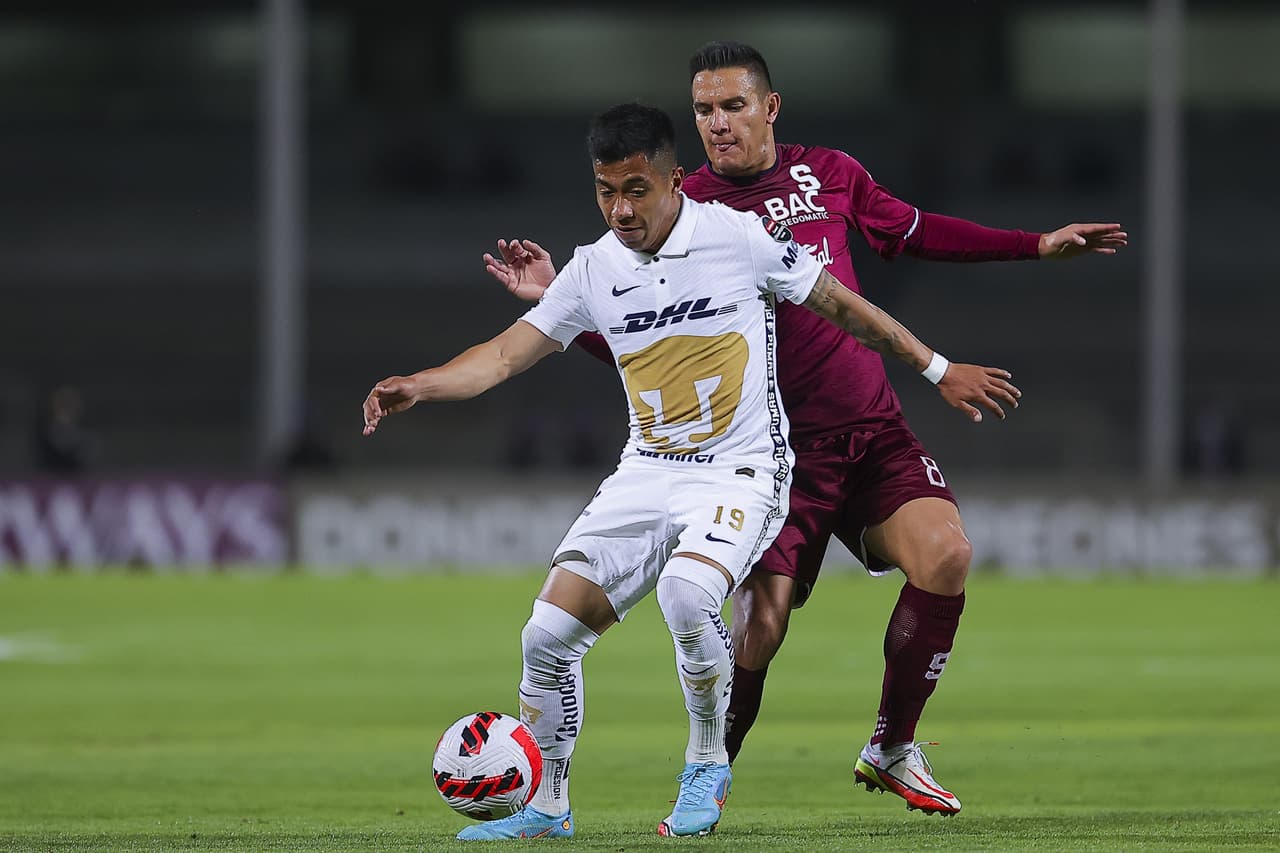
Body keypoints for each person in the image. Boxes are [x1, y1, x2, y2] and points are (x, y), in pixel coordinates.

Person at [482, 41, 1125, 817]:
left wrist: (1033, 244)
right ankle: (706, 783)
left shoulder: (834, 174)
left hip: (873, 428)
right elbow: (640, 338)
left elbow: (917, 231)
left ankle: (891, 747)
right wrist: (555, 299)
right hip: (776, 452)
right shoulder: (686, 211)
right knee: (757, 627)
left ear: (769, 107)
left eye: (732, 106)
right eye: (703, 111)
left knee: (947, 553)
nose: (717, 123)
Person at [365, 102, 1017, 840]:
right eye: (606, 191)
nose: (621, 208)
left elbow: (847, 308)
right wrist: (419, 382)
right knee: (544, 636)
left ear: (675, 180)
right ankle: (546, 808)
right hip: (646, 472)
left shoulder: (738, 239)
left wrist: (934, 368)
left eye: (637, 189)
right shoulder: (592, 269)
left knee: (686, 592)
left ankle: (708, 763)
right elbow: (503, 355)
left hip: (744, 469)